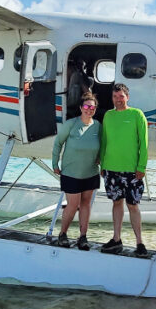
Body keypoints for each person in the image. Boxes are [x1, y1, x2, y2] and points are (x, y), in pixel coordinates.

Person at [99, 83, 149, 257]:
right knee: (116, 203)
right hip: (111, 169)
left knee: (132, 205)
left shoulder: (137, 114)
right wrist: (103, 164)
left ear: (127, 97)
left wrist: (141, 166)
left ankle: (140, 243)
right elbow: (104, 141)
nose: (118, 100)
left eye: (121, 96)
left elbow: (144, 143)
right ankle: (116, 238)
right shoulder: (108, 115)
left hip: (132, 171)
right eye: (115, 97)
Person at [51, 92, 102, 250]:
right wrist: (55, 163)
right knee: (73, 205)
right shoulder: (71, 124)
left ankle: (83, 237)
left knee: (86, 204)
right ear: (81, 107)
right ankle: (62, 234)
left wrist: (102, 162)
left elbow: (101, 146)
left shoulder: (98, 126)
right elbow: (58, 143)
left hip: (91, 173)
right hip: (71, 173)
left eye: (92, 107)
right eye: (86, 106)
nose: (89, 109)